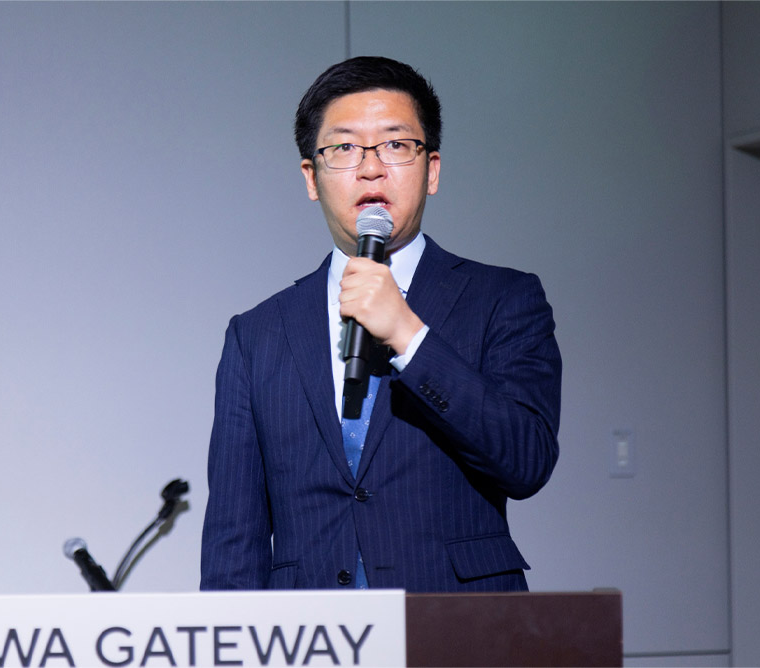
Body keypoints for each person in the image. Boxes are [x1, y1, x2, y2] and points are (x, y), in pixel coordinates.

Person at [200, 56, 561, 592]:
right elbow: (234, 536)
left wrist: (409, 336)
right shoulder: (256, 335)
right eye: (345, 148)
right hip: (312, 627)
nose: (371, 168)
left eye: (395, 144)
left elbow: (526, 461)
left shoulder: (503, 299)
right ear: (312, 178)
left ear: (431, 170)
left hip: (459, 619)